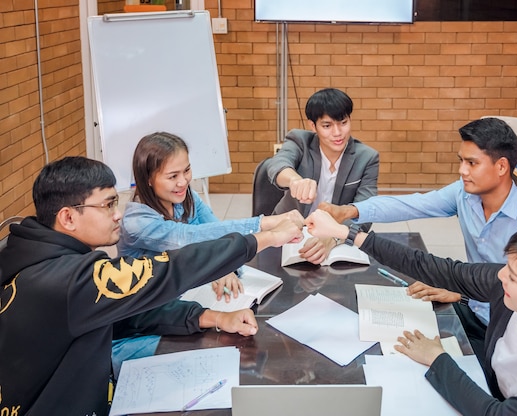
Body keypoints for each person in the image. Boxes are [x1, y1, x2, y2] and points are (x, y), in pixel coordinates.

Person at [0, 156, 303, 415]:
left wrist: (211, 317)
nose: (116, 214)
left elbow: (118, 315)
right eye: (107, 205)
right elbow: (170, 270)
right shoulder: (61, 280)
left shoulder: (42, 258)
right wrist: (264, 239)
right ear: (68, 217)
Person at [305, 210, 517, 414]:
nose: (500, 276)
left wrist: (437, 358)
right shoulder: (516, 293)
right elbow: (436, 268)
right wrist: (345, 233)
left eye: (512, 276)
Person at [319, 117, 517, 357]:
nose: (462, 171)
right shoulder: (464, 195)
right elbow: (412, 205)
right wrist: (350, 210)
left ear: (501, 167)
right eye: (461, 161)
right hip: (474, 308)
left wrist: (465, 293)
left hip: (508, 332)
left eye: (472, 163)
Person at [113, 132, 305, 374]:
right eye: (172, 176)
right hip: (149, 320)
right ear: (148, 179)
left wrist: (222, 266)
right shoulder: (136, 221)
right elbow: (189, 239)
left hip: (190, 304)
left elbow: (216, 233)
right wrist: (264, 224)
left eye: (187, 171)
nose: (183, 182)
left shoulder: (186, 197)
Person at [264, 87, 379, 264]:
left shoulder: (367, 157)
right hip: (291, 230)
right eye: (327, 126)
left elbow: (365, 211)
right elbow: (276, 165)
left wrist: (333, 238)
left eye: (343, 123)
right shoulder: (300, 141)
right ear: (313, 125)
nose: (337, 133)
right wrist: (295, 180)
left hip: (336, 232)